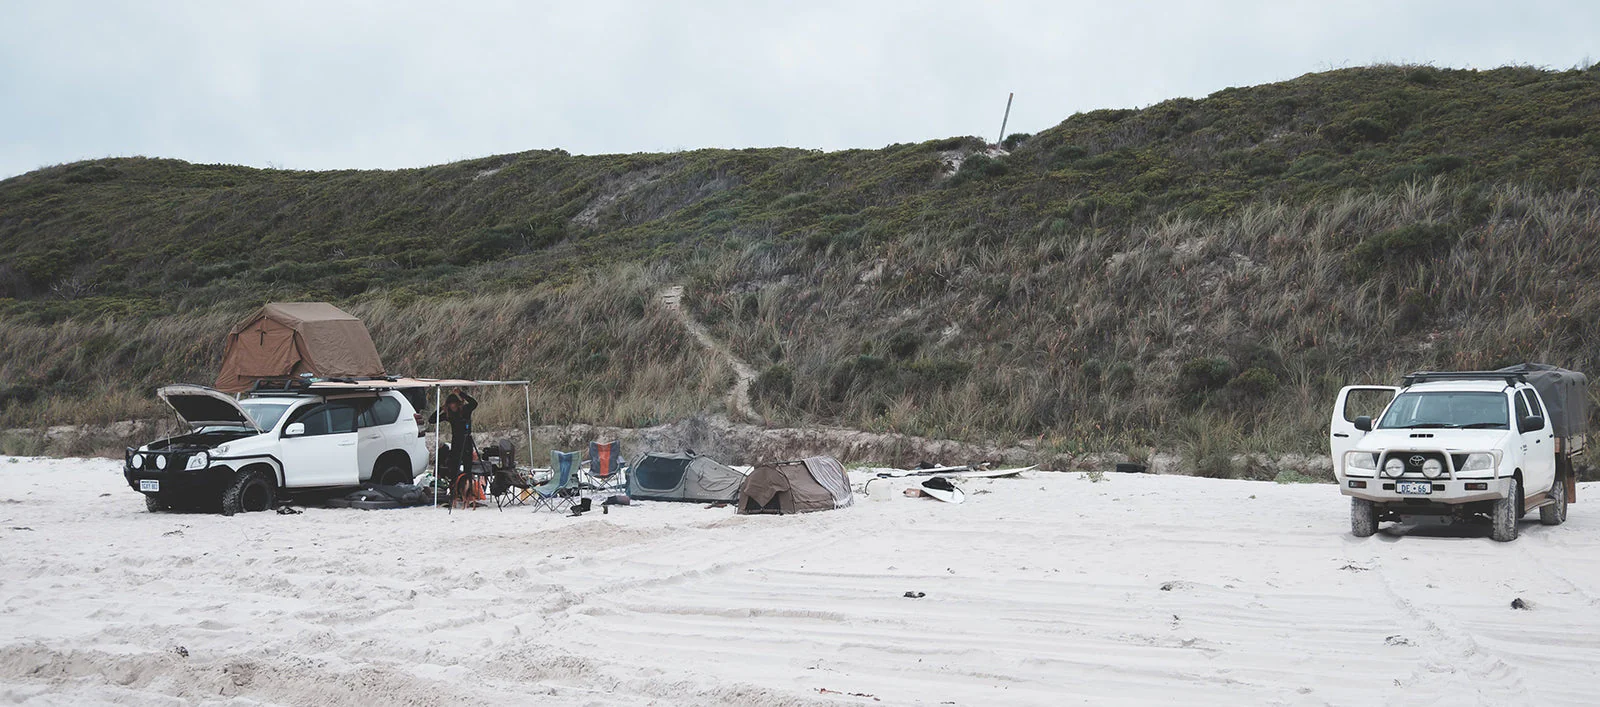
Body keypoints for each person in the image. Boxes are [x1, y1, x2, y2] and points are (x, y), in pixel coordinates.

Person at [440, 387, 478, 480]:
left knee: (467, 467)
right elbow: (432, 420)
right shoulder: (449, 414)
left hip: (466, 440)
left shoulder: (465, 410)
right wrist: (441, 408)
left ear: (458, 403)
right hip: (456, 441)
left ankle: (468, 487)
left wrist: (461, 393)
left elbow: (474, 403)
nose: (452, 406)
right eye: (450, 404)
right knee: (454, 467)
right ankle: (455, 487)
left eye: (454, 404)